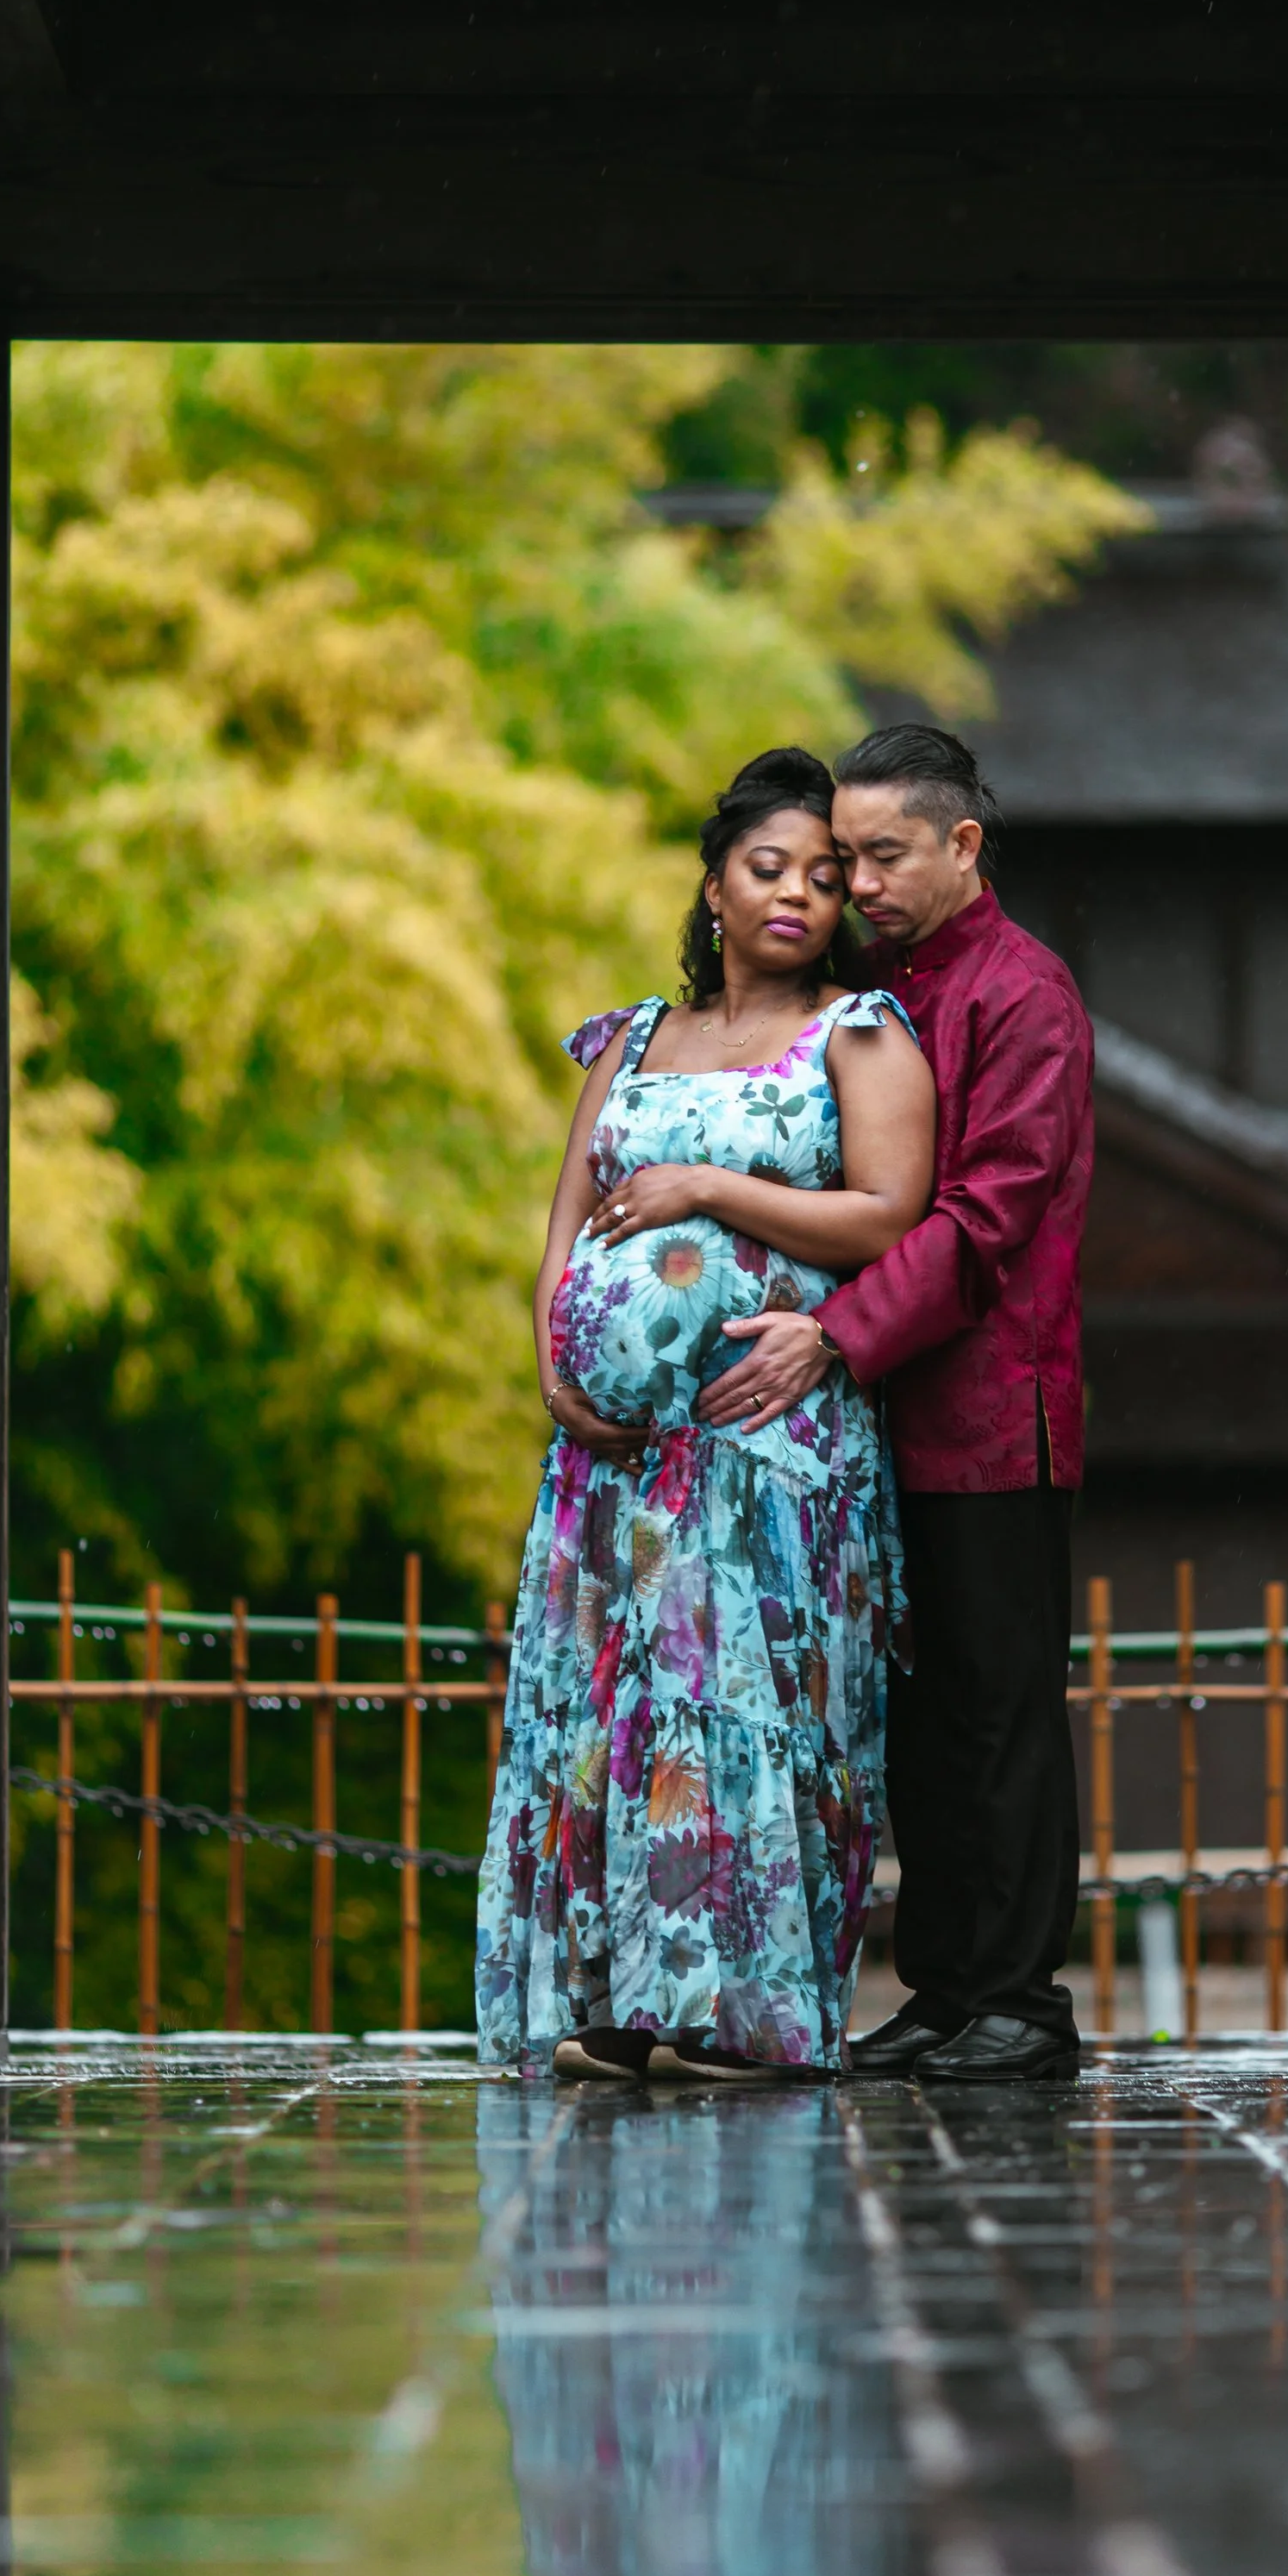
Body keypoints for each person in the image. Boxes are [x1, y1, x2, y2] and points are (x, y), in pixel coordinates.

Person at [475, 748, 935, 2084]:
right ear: (716, 882)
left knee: (740, 1711)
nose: (798, 893)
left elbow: (887, 1212)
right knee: (608, 1714)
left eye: (825, 875)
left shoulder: (859, 1032)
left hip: (768, 1459)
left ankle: (747, 2016)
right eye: (768, 866)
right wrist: (555, 1359)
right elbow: (567, 1221)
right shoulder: (628, 1038)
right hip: (608, 1472)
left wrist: (706, 1190)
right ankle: (619, 2005)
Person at [701, 724, 1094, 2083]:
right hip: (881, 1417)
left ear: (962, 844)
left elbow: (985, 1221)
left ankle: (1021, 2000)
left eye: (882, 854)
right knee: (916, 1715)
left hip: (991, 1409)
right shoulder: (887, 985)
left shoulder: (1021, 994)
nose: (854, 881)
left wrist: (831, 1338)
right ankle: (942, 1987)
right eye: (842, 854)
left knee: (1000, 1705)